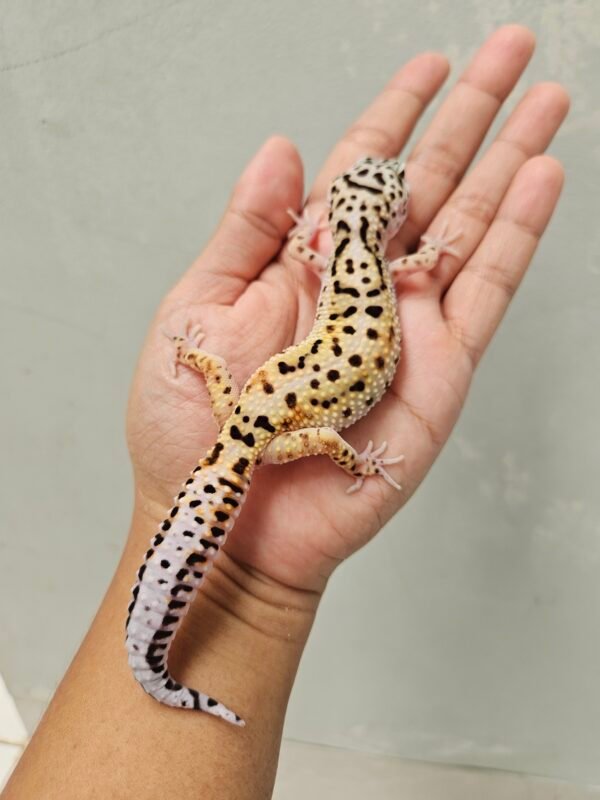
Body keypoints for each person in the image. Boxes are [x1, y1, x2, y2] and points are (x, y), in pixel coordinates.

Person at [3, 24, 569, 800]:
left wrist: (209, 360)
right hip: (278, 421)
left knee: (288, 435)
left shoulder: (337, 256)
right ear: (384, 215)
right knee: (329, 436)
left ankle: (166, 660)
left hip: (257, 411)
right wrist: (355, 459)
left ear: (338, 219)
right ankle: (162, 665)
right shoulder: (373, 263)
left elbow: (348, 262)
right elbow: (397, 271)